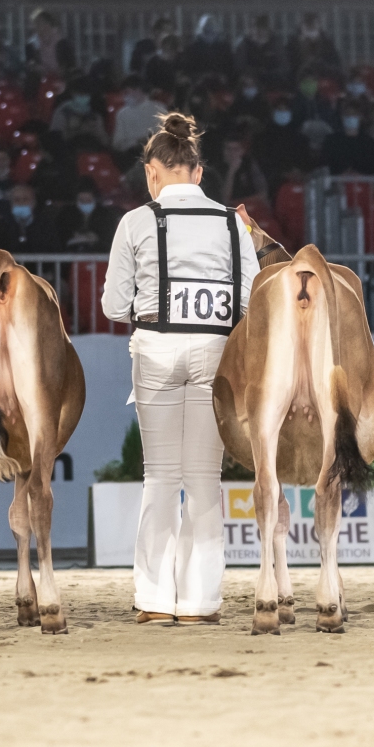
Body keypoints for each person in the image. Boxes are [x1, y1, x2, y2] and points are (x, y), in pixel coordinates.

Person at [101, 113, 260, 626]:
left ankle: (154, 599)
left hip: (156, 351)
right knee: (205, 480)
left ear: (152, 173)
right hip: (215, 351)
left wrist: (152, 305)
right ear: (198, 171)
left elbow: (112, 306)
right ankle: (199, 603)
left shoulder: (135, 222)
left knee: (160, 478)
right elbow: (251, 301)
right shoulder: (233, 223)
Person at [56, 179, 119, 253]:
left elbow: (109, 237)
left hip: (99, 254)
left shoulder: (105, 215)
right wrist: (72, 236)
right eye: (82, 201)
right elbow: (60, 234)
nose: (85, 203)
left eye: (88, 200)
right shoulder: (66, 214)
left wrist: (96, 238)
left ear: (94, 198)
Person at [0, 184, 58, 253]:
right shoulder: (1, 225)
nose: (21, 203)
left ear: (34, 203)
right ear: (11, 203)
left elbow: (53, 249)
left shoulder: (46, 225)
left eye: (25, 199)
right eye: (17, 200)